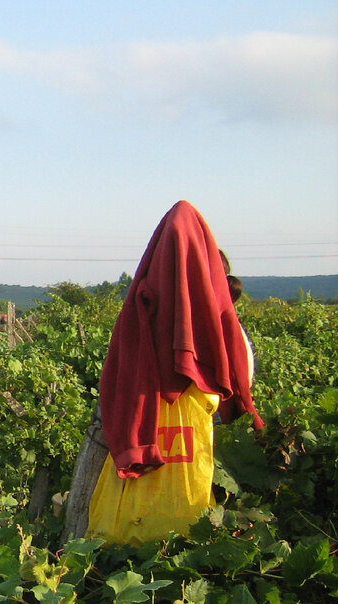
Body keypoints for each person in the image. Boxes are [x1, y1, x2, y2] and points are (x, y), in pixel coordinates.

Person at [86, 201, 263, 545]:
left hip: (148, 430)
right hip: (198, 430)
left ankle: (124, 549)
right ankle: (185, 546)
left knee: (129, 521)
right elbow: (239, 378)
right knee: (189, 506)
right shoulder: (222, 323)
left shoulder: (139, 313)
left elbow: (117, 372)